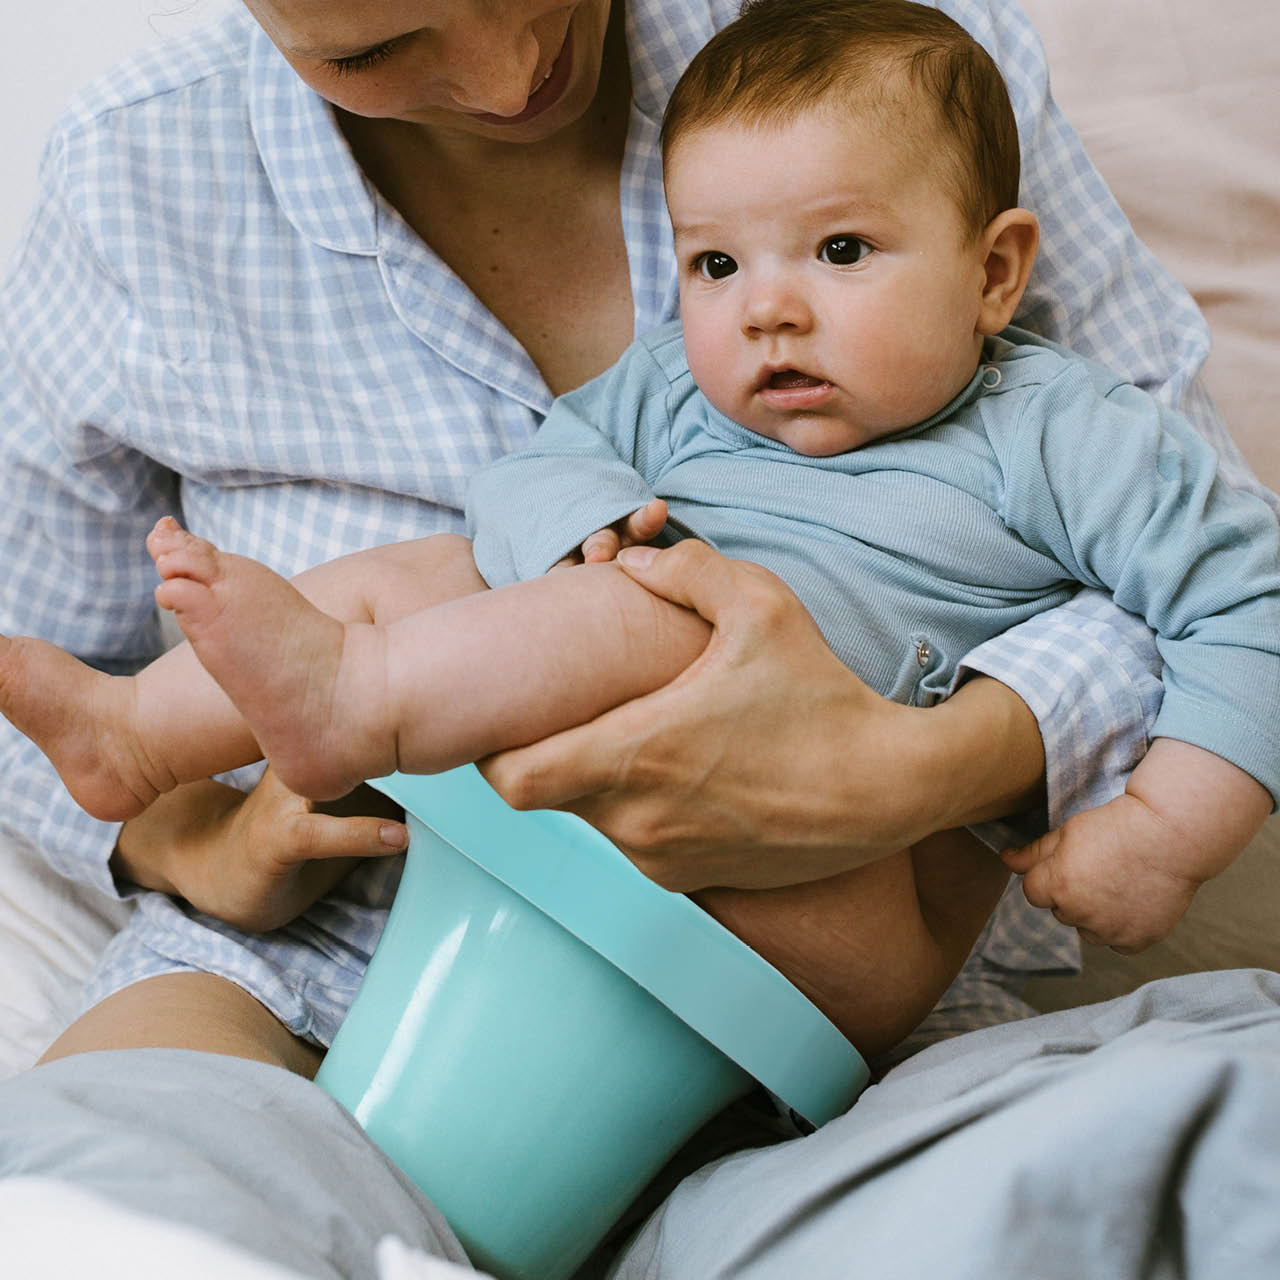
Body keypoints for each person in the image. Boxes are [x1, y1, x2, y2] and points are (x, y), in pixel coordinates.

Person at [0, 0, 1274, 1267]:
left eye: (839, 250)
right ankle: (143, 733)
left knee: (1168, 1136)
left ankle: (357, 697)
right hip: (327, 951)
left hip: (795, 943)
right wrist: (186, 838)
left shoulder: (1042, 388)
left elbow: (1232, 593)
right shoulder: (142, 175)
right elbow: (538, 469)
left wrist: (1088, 803)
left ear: (995, 271)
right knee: (434, 570)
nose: (509, 84)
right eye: (372, 49)